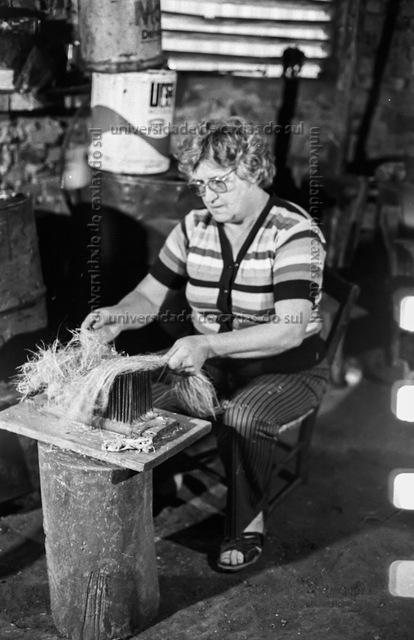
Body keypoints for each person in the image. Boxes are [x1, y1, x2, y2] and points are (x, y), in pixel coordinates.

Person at [81, 117, 330, 572]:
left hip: (288, 368)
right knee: (136, 400)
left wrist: (209, 347)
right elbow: (148, 297)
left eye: (219, 182)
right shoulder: (194, 226)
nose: (208, 196)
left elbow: (290, 329)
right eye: (200, 185)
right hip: (212, 365)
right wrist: (117, 316)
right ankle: (163, 481)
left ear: (252, 170)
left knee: (243, 416)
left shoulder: (294, 232)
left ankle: (246, 521)